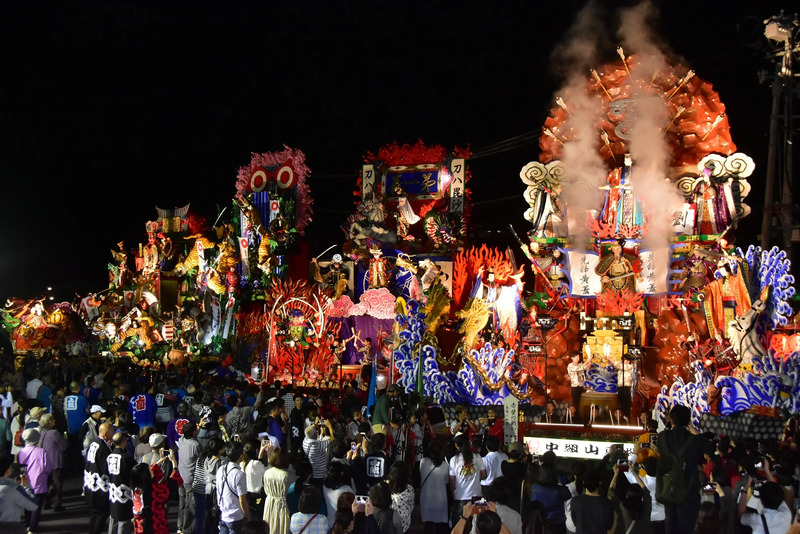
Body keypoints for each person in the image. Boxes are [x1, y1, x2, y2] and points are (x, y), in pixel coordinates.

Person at [656, 404, 710, 534]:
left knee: (670, 526)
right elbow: (708, 449)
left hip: (668, 488)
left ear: (671, 419)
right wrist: (691, 427)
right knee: (686, 529)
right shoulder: (696, 440)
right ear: (688, 420)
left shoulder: (661, 437)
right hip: (688, 491)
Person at [17, 428, 51, 534]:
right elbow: (48, 468)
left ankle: (28, 524)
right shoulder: (41, 452)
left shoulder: (20, 453)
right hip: (39, 483)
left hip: (25, 483)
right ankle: (32, 528)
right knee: (36, 506)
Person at [449, 434, 487, 527]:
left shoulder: (454, 460)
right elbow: (484, 475)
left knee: (459, 526)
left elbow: (452, 482)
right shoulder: (477, 456)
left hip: (460, 498)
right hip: (478, 497)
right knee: (479, 526)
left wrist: (454, 495)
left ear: (457, 446)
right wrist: (476, 478)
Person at [85, 422, 115, 534]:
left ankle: (91, 531)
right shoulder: (103, 448)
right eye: (112, 432)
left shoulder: (94, 443)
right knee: (102, 513)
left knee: (94, 513)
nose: (113, 434)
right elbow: (105, 468)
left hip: (91, 485)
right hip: (100, 488)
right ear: (106, 434)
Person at [217, 441, 251, 534]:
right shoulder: (239, 474)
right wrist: (248, 517)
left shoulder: (221, 469)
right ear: (240, 456)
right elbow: (242, 500)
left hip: (223, 513)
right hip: (236, 517)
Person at [0, 455, 39, 534]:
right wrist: (26, 485)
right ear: (8, 471)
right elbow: (33, 505)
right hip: (9, 528)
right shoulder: (12, 488)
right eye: (11, 468)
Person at [608, 461, 651, 534]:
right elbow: (645, 491)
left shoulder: (622, 506)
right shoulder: (646, 506)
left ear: (627, 496)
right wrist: (634, 472)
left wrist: (616, 474)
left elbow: (610, 493)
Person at [529, 462, 571, 534]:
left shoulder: (533, 488)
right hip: (557, 525)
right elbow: (568, 495)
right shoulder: (561, 491)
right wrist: (560, 485)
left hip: (538, 524)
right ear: (554, 475)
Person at [37, 413, 68, 511]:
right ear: (49, 421)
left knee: (47, 483)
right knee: (58, 484)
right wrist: (66, 438)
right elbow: (64, 446)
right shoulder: (54, 433)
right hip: (55, 462)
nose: (54, 421)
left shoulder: (41, 432)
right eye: (53, 419)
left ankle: (45, 503)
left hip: (44, 462)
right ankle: (57, 504)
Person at [107, 432, 136, 534]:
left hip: (113, 492)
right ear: (124, 442)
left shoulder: (110, 456)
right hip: (124, 493)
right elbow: (134, 472)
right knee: (124, 520)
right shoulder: (125, 458)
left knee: (113, 518)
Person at [569, 469, 614, 534]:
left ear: (584, 482)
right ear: (599, 482)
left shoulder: (575, 500)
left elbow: (575, 522)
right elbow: (609, 526)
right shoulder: (607, 503)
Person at [419, 441, 449, 534]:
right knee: (440, 527)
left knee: (428, 526)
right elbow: (447, 481)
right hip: (440, 499)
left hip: (426, 499)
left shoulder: (423, 462)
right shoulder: (445, 465)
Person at [178, 421, 202, 534]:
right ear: (193, 432)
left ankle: (180, 526)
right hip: (190, 478)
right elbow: (201, 458)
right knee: (189, 505)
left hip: (180, 476)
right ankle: (187, 529)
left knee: (182, 503)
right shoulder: (195, 445)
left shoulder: (181, 440)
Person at [262, 446, 291, 534]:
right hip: (282, 505)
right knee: (281, 527)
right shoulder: (286, 475)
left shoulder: (267, 472)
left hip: (269, 503)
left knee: (270, 526)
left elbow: (265, 489)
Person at [322, 461, 355, 528]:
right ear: (341, 473)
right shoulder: (346, 489)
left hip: (329, 523)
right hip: (343, 524)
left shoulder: (324, 487)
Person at [303, 419, 333, 485]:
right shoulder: (316, 446)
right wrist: (329, 426)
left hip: (313, 472)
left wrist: (320, 433)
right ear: (315, 435)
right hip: (321, 474)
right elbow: (332, 439)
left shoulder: (305, 441)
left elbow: (316, 439)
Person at [387, 463, 414, 533]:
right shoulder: (409, 489)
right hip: (405, 524)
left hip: (389, 523)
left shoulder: (385, 487)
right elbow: (411, 506)